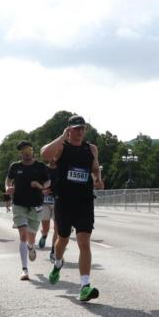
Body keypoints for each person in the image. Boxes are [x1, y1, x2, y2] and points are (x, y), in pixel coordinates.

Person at [40, 116, 104, 299]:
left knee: (84, 242)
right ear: (69, 129)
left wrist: (98, 178)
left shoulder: (91, 148)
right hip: (64, 201)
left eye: (82, 128)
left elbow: (95, 168)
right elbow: (45, 153)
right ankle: (58, 263)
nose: (80, 132)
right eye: (76, 128)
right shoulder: (61, 147)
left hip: (84, 201)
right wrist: (61, 137)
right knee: (63, 240)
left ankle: (85, 286)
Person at [6, 140, 51, 281]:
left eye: (28, 150)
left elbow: (48, 182)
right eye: (23, 151)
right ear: (21, 153)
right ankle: (24, 269)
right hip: (19, 205)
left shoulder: (40, 166)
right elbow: (8, 179)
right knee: (23, 236)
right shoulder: (15, 166)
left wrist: (40, 186)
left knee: (31, 237)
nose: (26, 154)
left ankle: (31, 247)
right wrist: (8, 187)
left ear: (32, 151)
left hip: (36, 205)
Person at [37, 160, 57, 253]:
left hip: (58, 201)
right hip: (45, 201)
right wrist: (41, 191)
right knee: (46, 227)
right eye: (51, 157)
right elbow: (35, 183)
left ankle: (54, 249)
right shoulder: (43, 169)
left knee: (58, 227)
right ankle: (44, 235)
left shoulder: (63, 167)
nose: (53, 159)